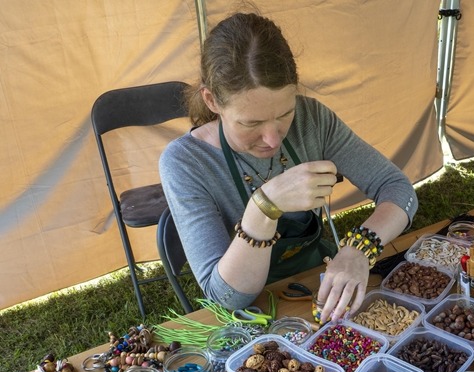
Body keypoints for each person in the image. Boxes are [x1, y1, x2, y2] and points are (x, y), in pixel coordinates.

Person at [160, 11, 417, 322]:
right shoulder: (185, 163)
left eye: (284, 115)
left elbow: (399, 190)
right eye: (251, 122)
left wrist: (359, 250)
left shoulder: (313, 120)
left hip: (318, 281)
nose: (271, 139)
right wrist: (263, 207)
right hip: (255, 311)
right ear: (212, 101)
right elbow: (225, 297)